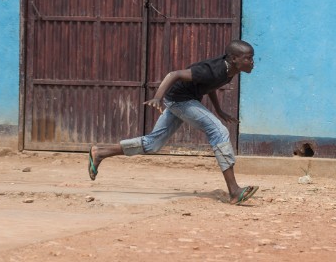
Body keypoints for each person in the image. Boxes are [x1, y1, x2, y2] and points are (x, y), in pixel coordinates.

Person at [87, 40, 258, 205]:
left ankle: (101, 152)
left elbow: (209, 86)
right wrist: (157, 97)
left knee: (153, 144)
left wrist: (219, 110)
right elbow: (174, 74)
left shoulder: (228, 71)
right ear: (234, 59)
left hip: (181, 100)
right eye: (248, 58)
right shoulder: (212, 70)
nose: (252, 62)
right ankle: (234, 191)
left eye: (251, 58)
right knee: (218, 131)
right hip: (179, 101)